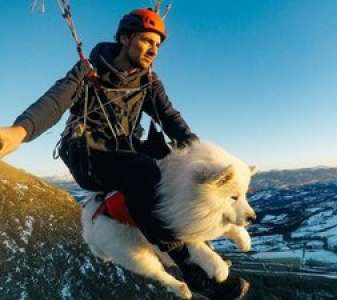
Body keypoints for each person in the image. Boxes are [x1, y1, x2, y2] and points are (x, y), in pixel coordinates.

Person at [0, 8, 249, 299]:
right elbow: (55, 101)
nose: (153, 49)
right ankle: (191, 269)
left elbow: (171, 120)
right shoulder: (88, 70)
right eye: (146, 41)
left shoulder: (148, 81)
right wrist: (19, 131)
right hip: (89, 156)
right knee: (145, 170)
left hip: (125, 151)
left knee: (173, 160)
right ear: (125, 38)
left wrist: (203, 156)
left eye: (158, 45)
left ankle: (199, 237)